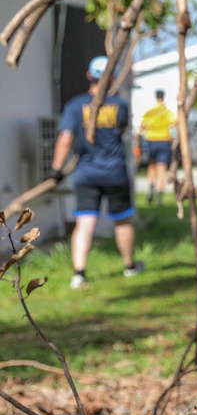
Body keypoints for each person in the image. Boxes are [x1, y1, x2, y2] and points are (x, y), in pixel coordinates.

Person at [49, 56, 145, 289]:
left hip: (86, 174)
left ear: (88, 76)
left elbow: (66, 138)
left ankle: (79, 273)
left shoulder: (74, 105)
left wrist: (56, 170)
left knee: (84, 223)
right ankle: (129, 266)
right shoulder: (120, 105)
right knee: (122, 221)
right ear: (111, 78)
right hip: (115, 173)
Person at [138, 89, 176, 205]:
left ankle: (151, 192)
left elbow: (142, 127)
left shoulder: (150, 112)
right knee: (162, 170)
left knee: (151, 167)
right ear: (163, 97)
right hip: (164, 141)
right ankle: (160, 196)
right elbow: (174, 125)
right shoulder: (167, 112)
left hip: (151, 141)